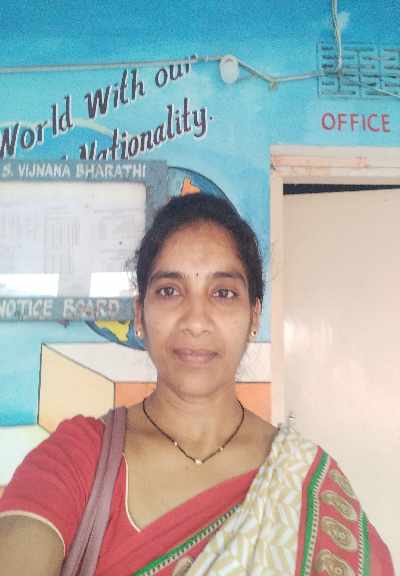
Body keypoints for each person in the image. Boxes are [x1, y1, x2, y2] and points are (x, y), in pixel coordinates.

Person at [0, 193, 394, 575]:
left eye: (223, 293)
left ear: (254, 315)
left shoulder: (304, 483)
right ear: (140, 314)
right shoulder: (79, 458)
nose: (196, 320)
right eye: (169, 291)